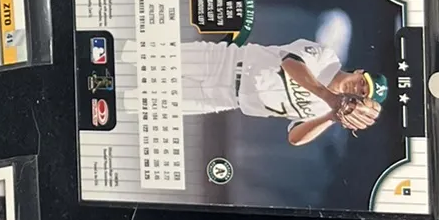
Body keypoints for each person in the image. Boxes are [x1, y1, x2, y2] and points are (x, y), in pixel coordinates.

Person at [147, 33, 388, 147]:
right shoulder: (327, 58)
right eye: (363, 82)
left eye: (363, 94)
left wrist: (331, 117)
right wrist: (329, 98)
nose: (358, 88)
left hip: (224, 99)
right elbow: (290, 63)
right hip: (225, 63)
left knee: (148, 104)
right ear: (359, 72)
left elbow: (294, 138)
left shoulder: (327, 113)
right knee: (145, 57)